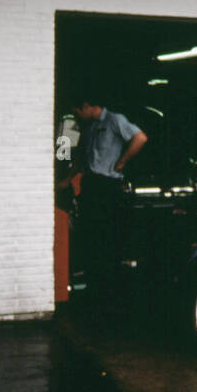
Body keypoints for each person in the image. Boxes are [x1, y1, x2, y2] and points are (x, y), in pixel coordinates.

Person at [59, 91, 148, 300]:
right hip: (91, 184)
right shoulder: (88, 127)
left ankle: (111, 285)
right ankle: (95, 281)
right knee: (91, 234)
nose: (78, 116)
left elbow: (140, 138)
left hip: (108, 185)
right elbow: (81, 156)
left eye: (78, 111)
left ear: (88, 105)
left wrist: (123, 161)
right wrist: (68, 178)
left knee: (107, 234)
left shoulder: (114, 120)